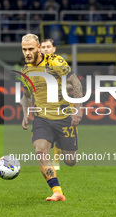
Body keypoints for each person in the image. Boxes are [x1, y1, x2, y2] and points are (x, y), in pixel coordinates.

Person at [20, 34, 83, 201]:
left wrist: (78, 109)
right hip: (42, 118)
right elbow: (26, 95)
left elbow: (76, 83)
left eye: (31, 49)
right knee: (40, 150)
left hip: (64, 117)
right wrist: (26, 114)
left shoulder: (55, 62)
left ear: (39, 48)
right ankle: (57, 191)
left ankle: (61, 142)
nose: (27, 53)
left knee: (70, 160)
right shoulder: (25, 71)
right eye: (24, 49)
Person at [40, 38, 73, 171]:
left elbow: (72, 82)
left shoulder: (59, 63)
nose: (46, 49)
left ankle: (56, 160)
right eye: (43, 47)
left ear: (54, 49)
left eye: (48, 46)